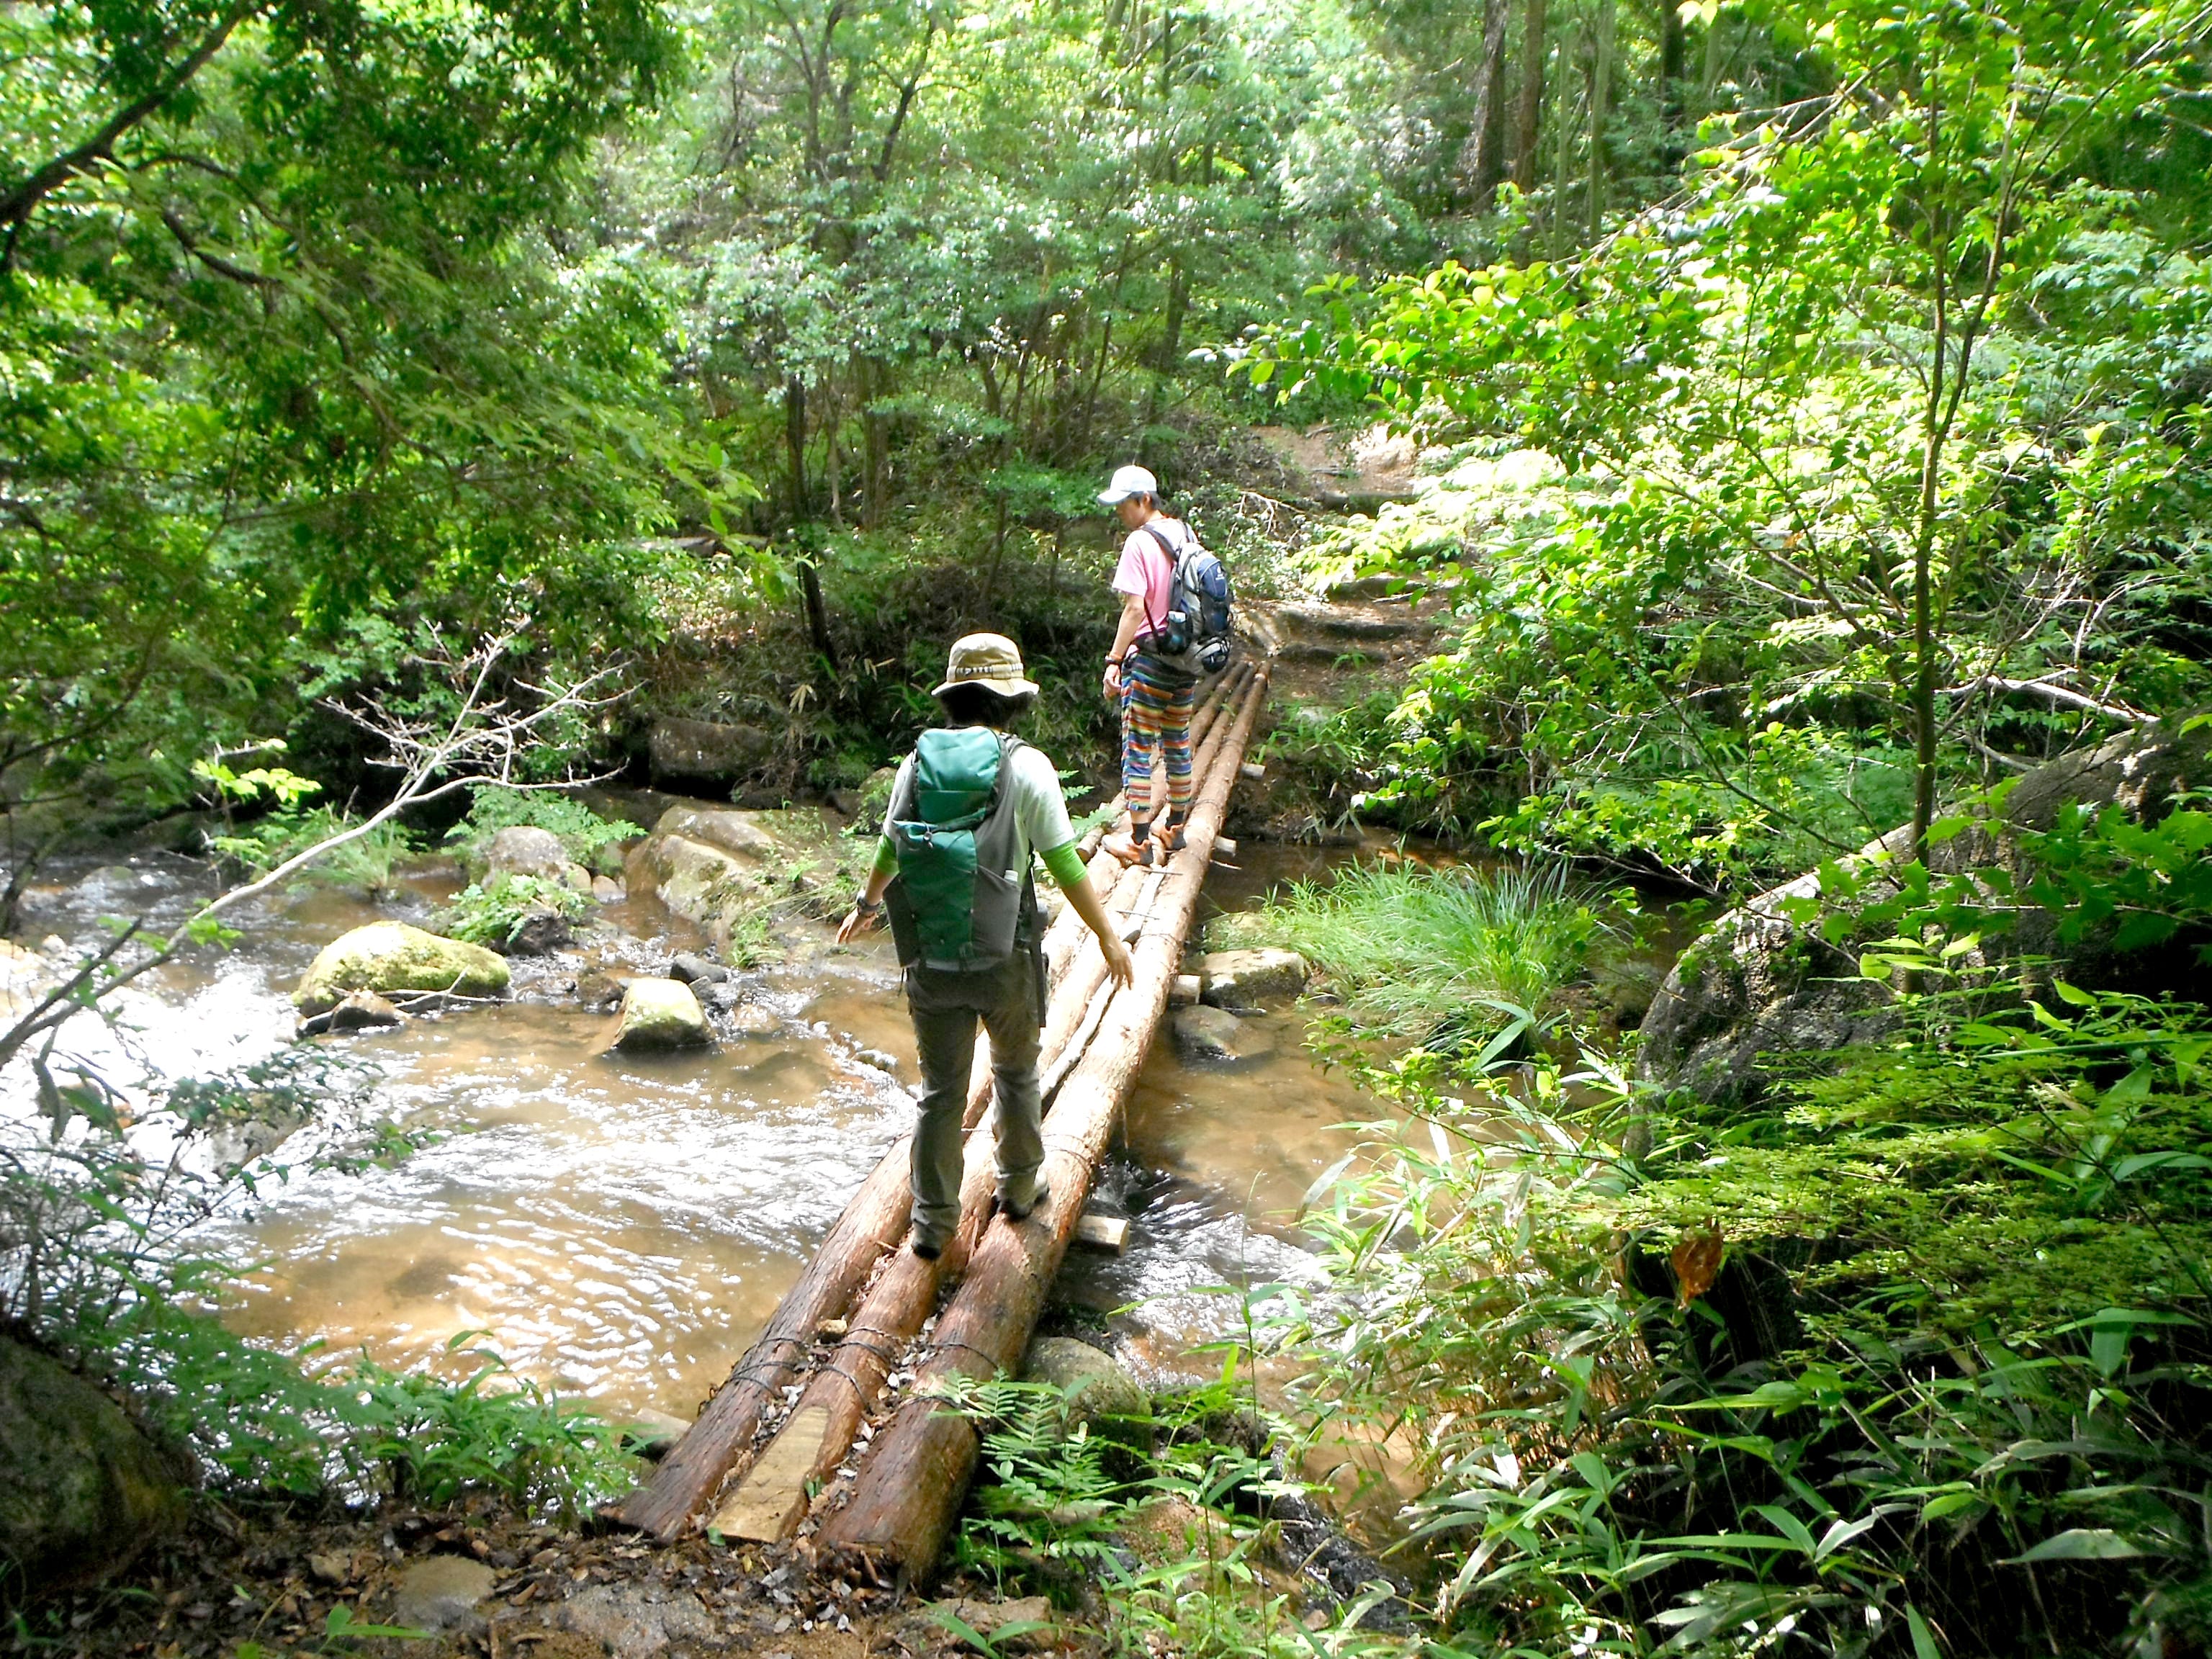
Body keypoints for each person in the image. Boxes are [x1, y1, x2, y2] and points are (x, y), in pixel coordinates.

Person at [837, 633, 1137, 1261]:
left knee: (941, 1093)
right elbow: (1061, 863)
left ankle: (931, 1224)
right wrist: (1108, 935)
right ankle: (1020, 1189)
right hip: (1006, 957)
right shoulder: (1027, 766)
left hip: (932, 957)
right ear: (1011, 700)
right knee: (1015, 1074)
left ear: (953, 696)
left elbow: (892, 849)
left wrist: (867, 906)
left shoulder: (913, 766)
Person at [1097, 464, 1199, 868]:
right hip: (1186, 659)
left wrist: (1114, 660)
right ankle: (1174, 829)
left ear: (1144, 500)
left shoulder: (1139, 543)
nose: (1120, 511)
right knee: (1177, 741)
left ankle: (1139, 841)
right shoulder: (1185, 533)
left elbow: (1135, 608)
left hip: (1152, 660)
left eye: (1124, 503)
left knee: (1138, 745)